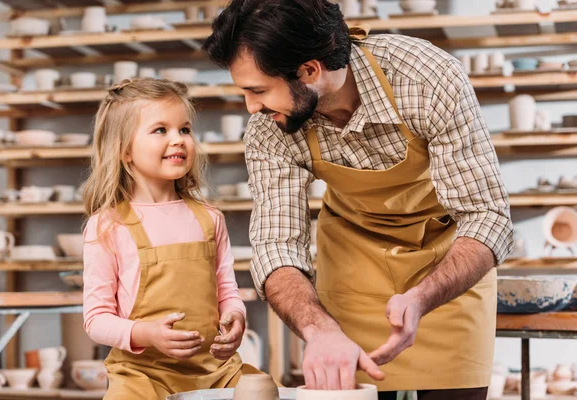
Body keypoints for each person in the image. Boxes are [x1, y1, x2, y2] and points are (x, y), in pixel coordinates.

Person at [203, 1, 513, 398]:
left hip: (446, 267)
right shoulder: (269, 129)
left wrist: (422, 298)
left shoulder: (425, 78)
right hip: (353, 269)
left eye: (257, 90)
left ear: (310, 70)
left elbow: (486, 214)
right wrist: (319, 329)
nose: (252, 106)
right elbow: (277, 246)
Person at [81, 78, 261, 399]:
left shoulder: (209, 217)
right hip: (142, 375)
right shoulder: (107, 225)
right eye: (160, 130)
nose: (178, 140)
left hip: (215, 370)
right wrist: (146, 333)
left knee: (262, 391)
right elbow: (96, 319)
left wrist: (235, 316)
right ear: (124, 150)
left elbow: (227, 290)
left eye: (185, 130)